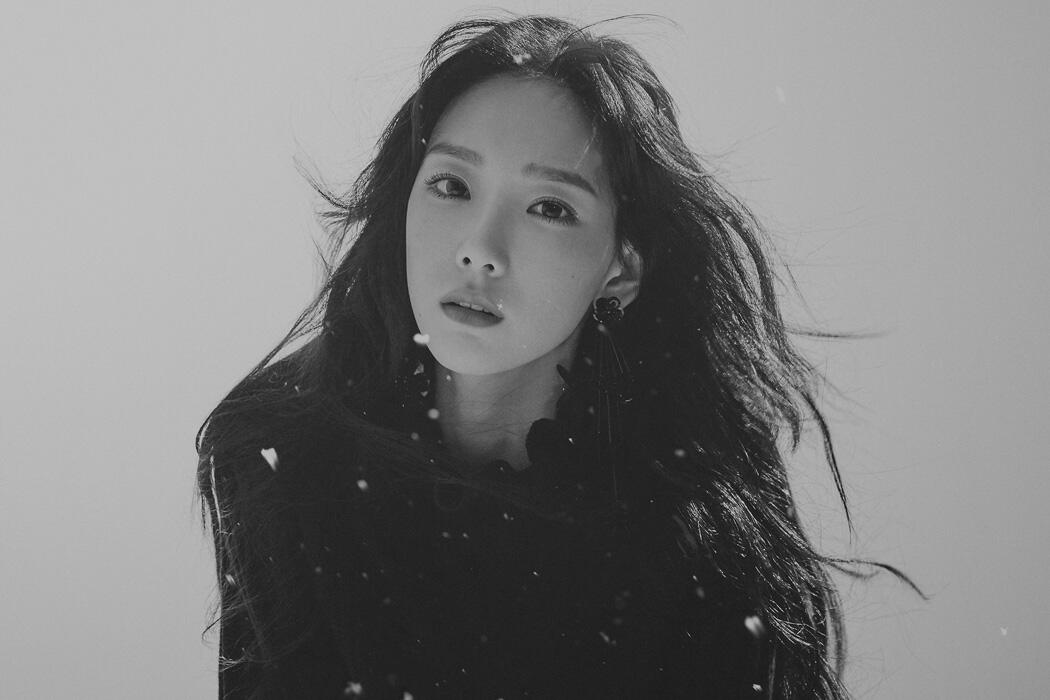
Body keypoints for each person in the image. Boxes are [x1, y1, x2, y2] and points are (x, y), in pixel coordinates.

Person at [196, 15, 915, 699]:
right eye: (451, 185)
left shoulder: (693, 511)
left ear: (621, 267)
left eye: (550, 207)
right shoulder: (280, 455)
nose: (480, 248)